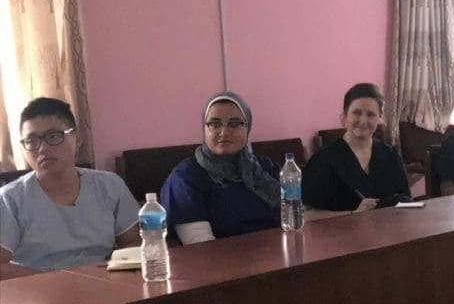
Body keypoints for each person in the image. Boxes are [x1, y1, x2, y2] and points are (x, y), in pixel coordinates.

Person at [1, 97, 140, 270]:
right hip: (39, 290)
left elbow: (134, 241)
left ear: (77, 138)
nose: (42, 148)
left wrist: (111, 272)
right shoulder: (9, 199)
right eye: (31, 141)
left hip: (103, 283)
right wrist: (56, 284)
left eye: (53, 136)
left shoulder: (109, 185)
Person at [161, 91, 281, 243]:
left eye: (235, 124)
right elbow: (201, 247)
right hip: (224, 263)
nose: (224, 132)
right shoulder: (185, 178)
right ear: (204, 129)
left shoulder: (265, 167)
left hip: (283, 256)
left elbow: (296, 216)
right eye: (215, 124)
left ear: (248, 128)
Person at [302, 83, 411, 213]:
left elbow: (407, 203)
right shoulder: (323, 160)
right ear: (344, 117)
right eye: (356, 113)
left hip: (388, 231)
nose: (363, 120)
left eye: (371, 114)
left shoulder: (391, 156)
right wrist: (353, 214)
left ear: (379, 119)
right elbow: (308, 215)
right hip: (340, 232)